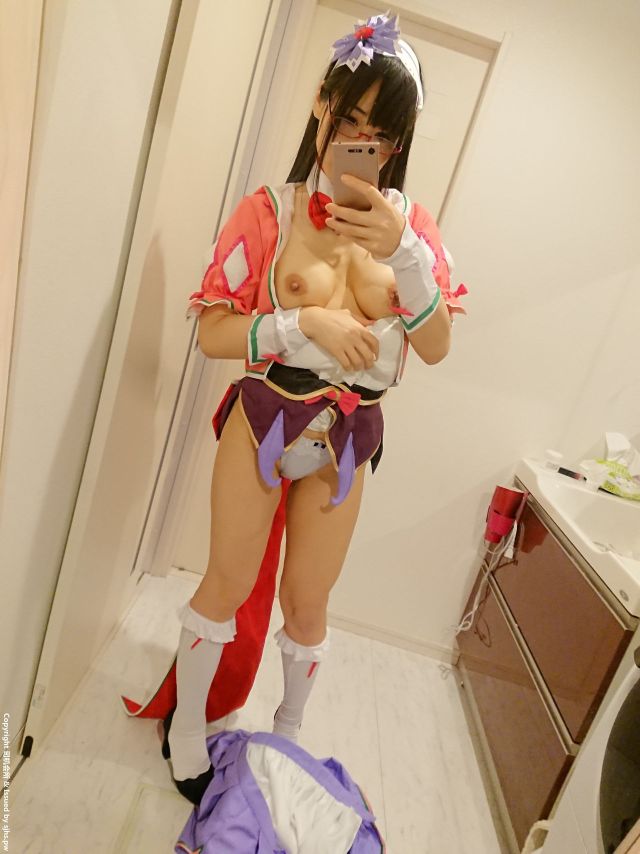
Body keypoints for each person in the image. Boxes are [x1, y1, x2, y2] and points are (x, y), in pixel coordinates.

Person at [164, 13, 468, 806]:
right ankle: (187, 727)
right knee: (228, 581)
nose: (363, 141)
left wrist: (405, 254)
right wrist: (302, 323)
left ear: (400, 142)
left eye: (383, 133)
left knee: (308, 601)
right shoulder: (268, 211)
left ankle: (290, 739)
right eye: (351, 119)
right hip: (265, 417)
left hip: (348, 438)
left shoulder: (414, 231)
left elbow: (436, 346)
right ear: (321, 106)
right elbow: (212, 332)